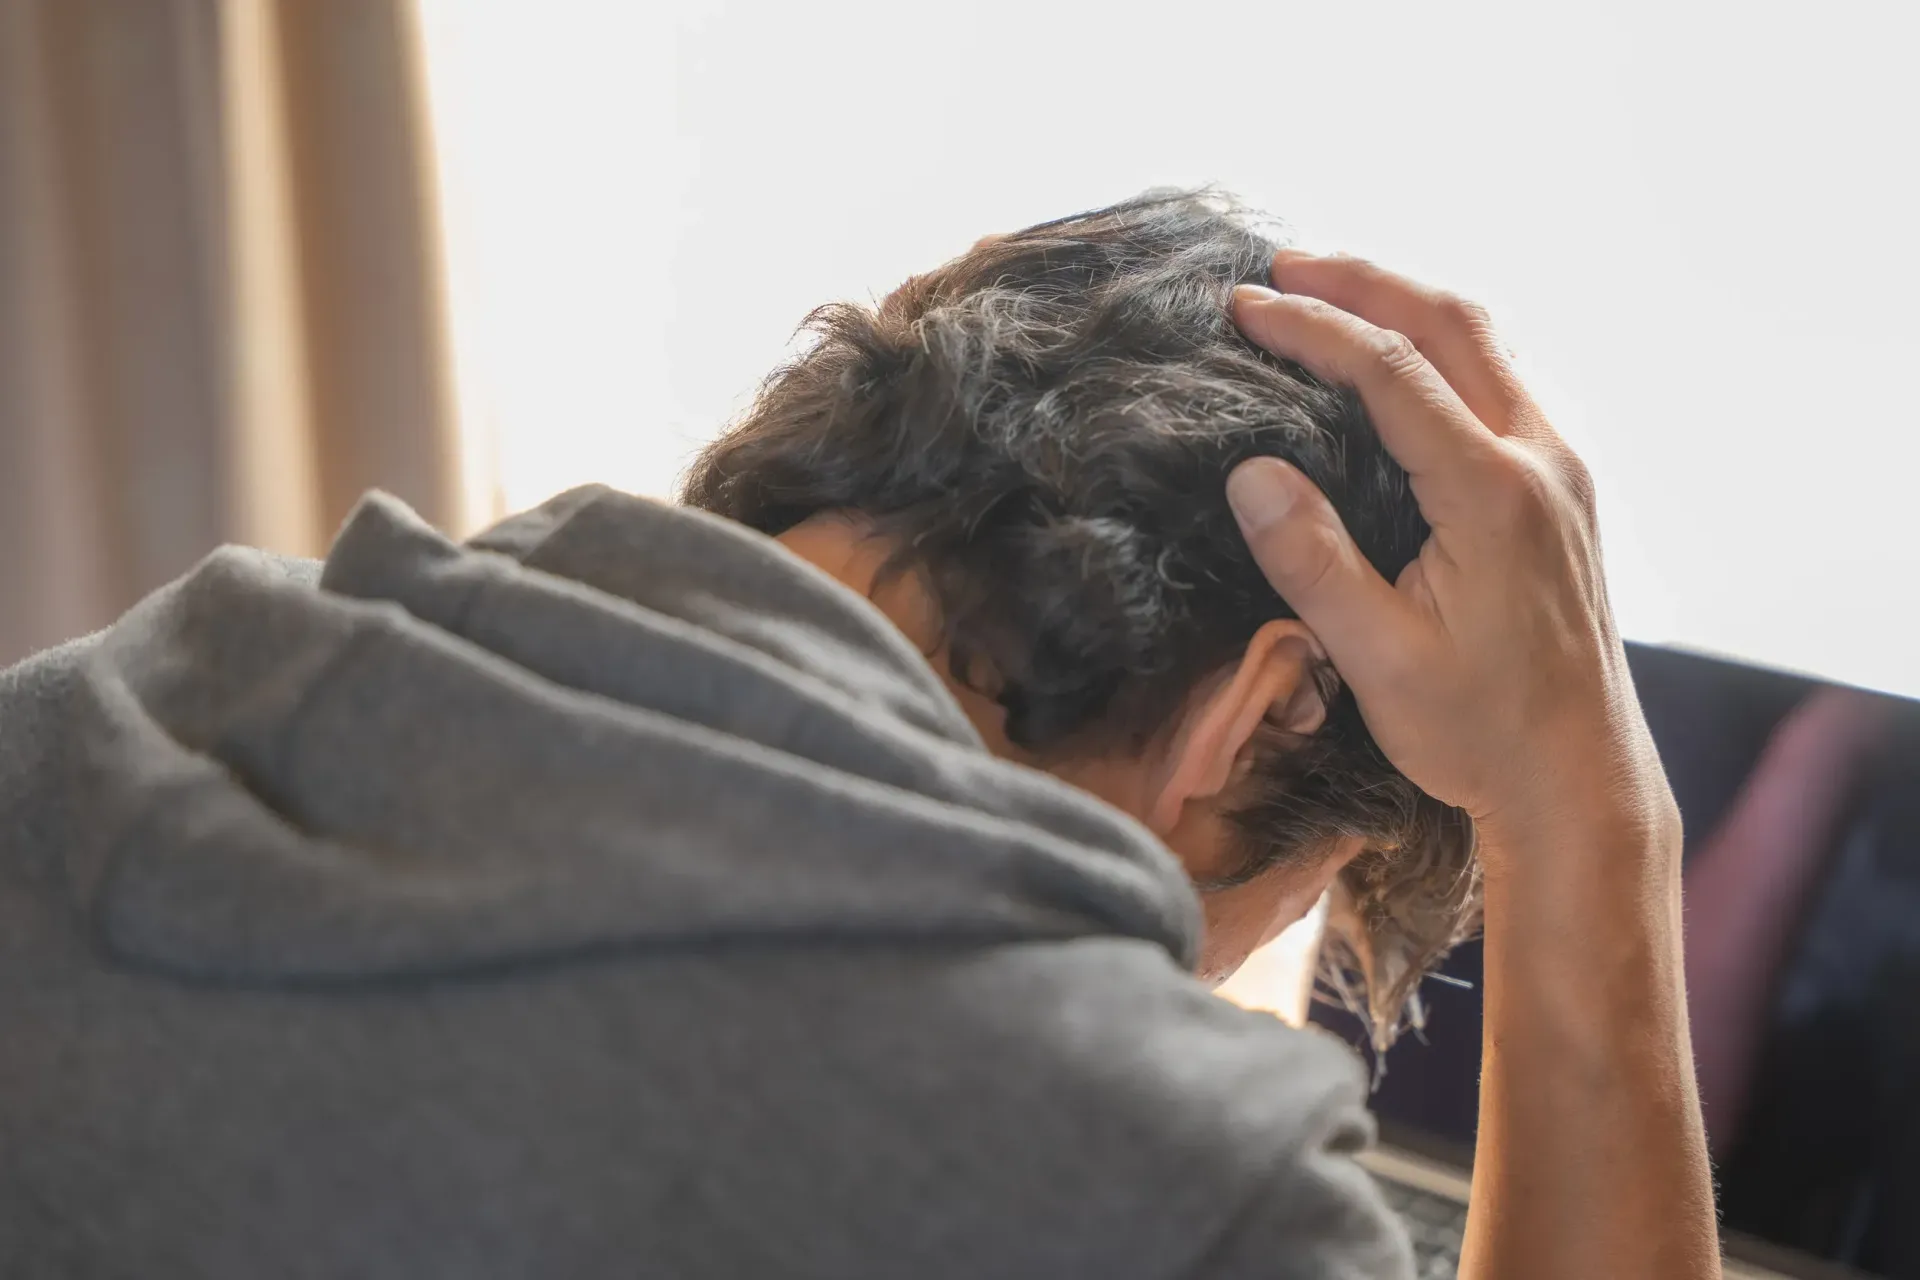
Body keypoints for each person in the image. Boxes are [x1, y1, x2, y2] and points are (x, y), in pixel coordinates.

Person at [0, 193, 1718, 1278]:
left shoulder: (93, 718)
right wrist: (1591, 813)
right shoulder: (1157, 1180)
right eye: (1293, 910)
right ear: (1263, 710)